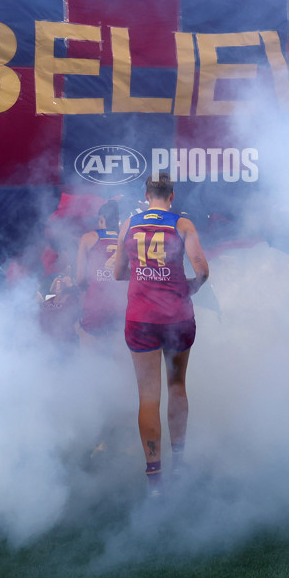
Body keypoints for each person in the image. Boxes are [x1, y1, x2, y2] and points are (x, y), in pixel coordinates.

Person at [114, 172, 209, 496]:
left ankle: (154, 480)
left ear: (146, 195)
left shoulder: (129, 224)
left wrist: (140, 272)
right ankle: (179, 464)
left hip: (140, 319)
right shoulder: (182, 224)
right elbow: (202, 269)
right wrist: (188, 290)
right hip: (176, 318)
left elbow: (117, 272)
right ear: (171, 196)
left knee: (148, 397)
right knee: (177, 386)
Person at [76, 199, 126, 350]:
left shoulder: (88, 238)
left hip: (96, 304)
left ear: (101, 219)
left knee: (90, 357)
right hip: (121, 306)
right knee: (119, 358)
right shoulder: (127, 240)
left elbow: (80, 278)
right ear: (118, 221)